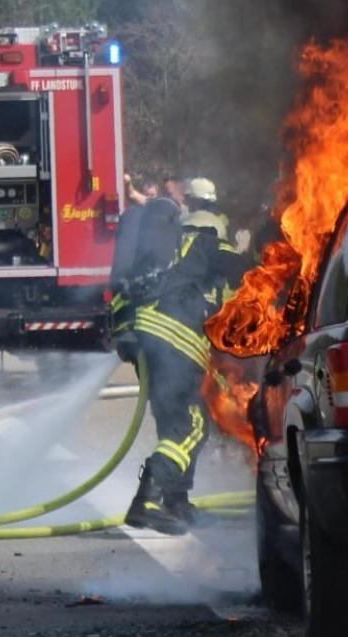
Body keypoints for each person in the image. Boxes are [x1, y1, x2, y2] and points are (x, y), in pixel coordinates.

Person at [110, 177, 250, 535]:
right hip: (175, 337)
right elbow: (251, 271)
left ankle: (176, 503)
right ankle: (149, 500)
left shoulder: (161, 257)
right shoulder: (207, 246)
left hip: (146, 337)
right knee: (192, 424)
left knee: (176, 423)